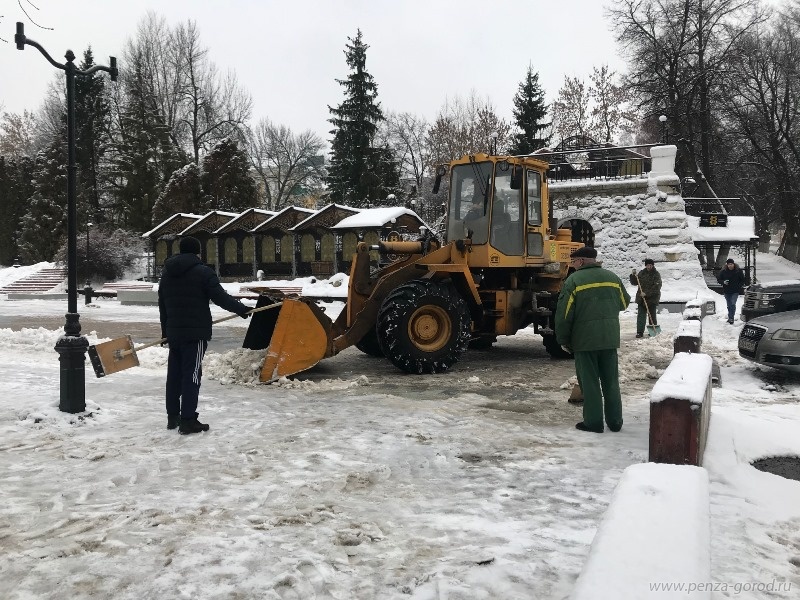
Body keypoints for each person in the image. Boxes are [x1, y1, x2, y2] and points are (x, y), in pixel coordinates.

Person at [158, 236, 252, 434]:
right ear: (198, 252)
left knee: (174, 376)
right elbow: (221, 298)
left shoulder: (167, 274)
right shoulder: (202, 272)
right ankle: (188, 420)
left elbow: (163, 306)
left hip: (174, 333)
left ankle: (172, 417)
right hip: (195, 333)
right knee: (192, 375)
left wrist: (165, 332)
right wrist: (242, 310)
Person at [555, 246, 631, 433]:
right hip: (609, 338)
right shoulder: (613, 278)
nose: (572, 265)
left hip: (585, 340)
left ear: (580, 261)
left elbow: (564, 314)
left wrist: (563, 339)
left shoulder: (574, 281)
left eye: (573, 262)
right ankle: (615, 422)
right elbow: (624, 303)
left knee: (589, 382)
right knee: (611, 382)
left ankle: (593, 422)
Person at [629, 258, 662, 338]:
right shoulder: (642, 273)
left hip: (652, 299)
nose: (649, 267)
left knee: (652, 316)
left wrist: (646, 294)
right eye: (648, 265)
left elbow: (657, 287)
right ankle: (639, 332)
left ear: (653, 265)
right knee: (641, 316)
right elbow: (635, 282)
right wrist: (633, 276)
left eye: (650, 265)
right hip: (641, 299)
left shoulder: (656, 274)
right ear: (646, 265)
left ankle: (653, 331)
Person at [717, 257, 745, 324]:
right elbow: (719, 280)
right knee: (729, 305)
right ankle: (730, 317)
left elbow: (743, 280)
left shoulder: (738, 271)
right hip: (727, 291)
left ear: (734, 264)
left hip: (735, 291)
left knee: (732, 304)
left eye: (731, 264)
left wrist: (738, 286)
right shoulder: (723, 272)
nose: (730, 265)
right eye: (729, 264)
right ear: (727, 265)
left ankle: (731, 318)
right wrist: (723, 282)